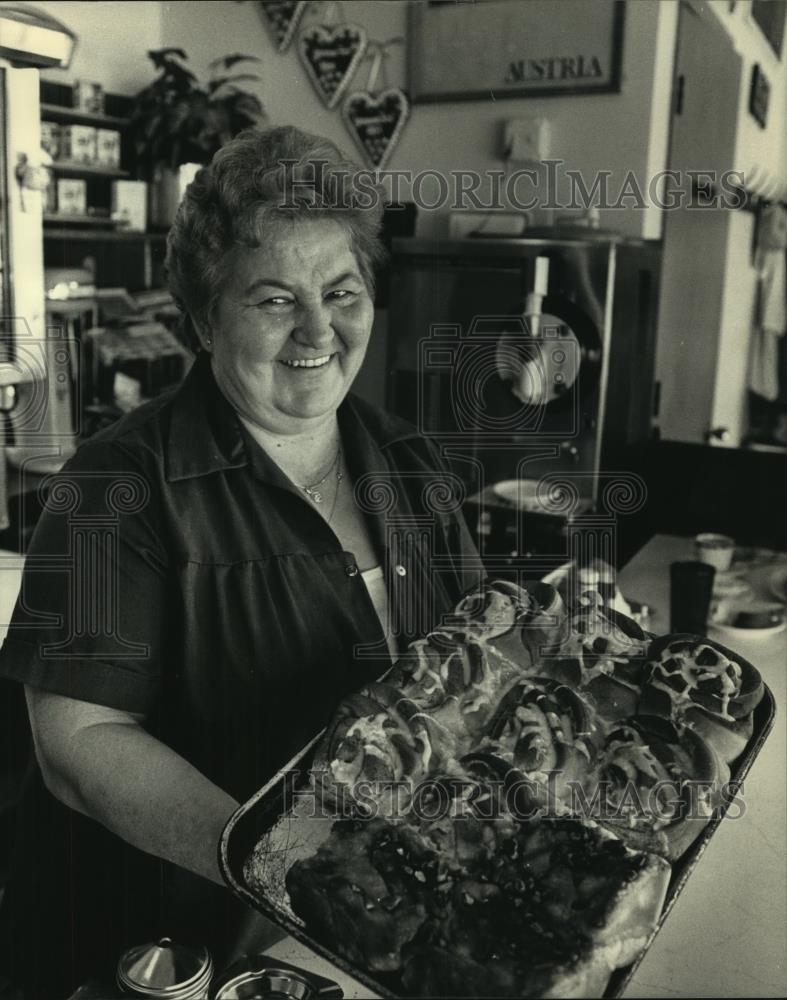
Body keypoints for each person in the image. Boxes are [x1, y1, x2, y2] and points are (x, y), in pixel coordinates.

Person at [0, 126, 482, 999]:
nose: (318, 329)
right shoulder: (118, 484)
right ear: (203, 318)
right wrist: (297, 868)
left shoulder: (412, 462)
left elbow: (469, 670)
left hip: (377, 932)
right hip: (168, 950)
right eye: (273, 300)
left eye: (342, 291)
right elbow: (79, 743)